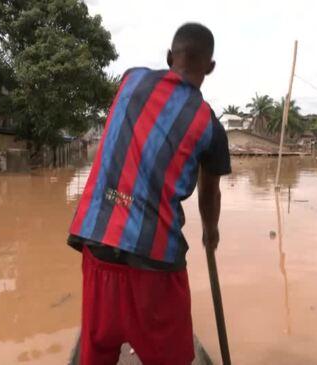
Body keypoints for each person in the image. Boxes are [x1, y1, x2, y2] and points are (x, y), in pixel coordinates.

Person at [67, 23, 231, 365]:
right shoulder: (210, 127)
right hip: (155, 264)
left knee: (95, 352)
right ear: (210, 67)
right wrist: (210, 232)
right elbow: (209, 194)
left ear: (170, 57)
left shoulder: (129, 79)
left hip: (97, 242)